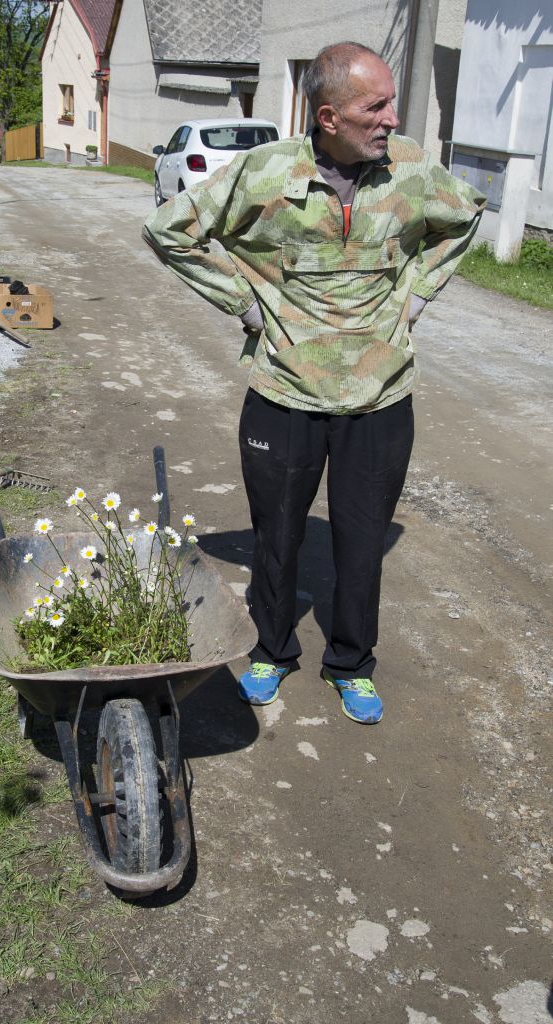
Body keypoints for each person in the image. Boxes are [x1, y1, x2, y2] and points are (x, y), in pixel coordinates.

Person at [142, 42, 485, 724]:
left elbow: (466, 215)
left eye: (391, 103)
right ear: (329, 117)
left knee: (361, 542)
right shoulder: (266, 172)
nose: (391, 119)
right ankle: (270, 651)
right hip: (284, 393)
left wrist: (417, 293)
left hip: (380, 395)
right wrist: (243, 305)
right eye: (375, 107)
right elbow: (169, 229)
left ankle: (351, 664)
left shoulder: (411, 167)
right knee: (276, 537)